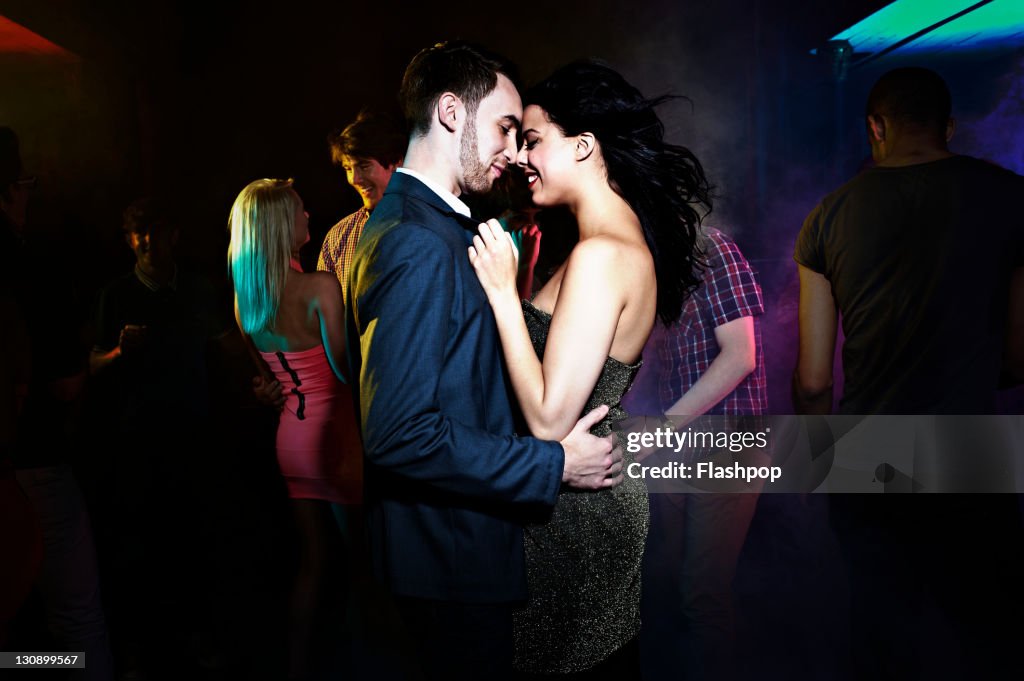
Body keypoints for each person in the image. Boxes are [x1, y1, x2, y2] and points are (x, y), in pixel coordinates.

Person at [345, 42, 623, 681]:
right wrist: (553, 463)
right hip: (449, 563)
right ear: (450, 112)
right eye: (503, 127)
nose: (512, 151)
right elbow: (397, 433)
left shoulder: (441, 226)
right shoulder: (416, 240)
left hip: (458, 554)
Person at [469, 60, 711, 676]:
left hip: (575, 516)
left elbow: (550, 421)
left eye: (532, 140)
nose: (521, 157)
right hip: (581, 495)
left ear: (583, 146)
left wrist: (501, 296)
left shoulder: (603, 254)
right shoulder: (605, 243)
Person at [793, 67, 1024, 679]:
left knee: (882, 640)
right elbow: (1021, 356)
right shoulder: (1011, 198)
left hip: (868, 459)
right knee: (988, 638)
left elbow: (813, 380)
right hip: (974, 452)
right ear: (949, 127)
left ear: (876, 127)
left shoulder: (827, 215)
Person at [624, 225, 766, 681]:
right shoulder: (652, 264)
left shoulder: (709, 246)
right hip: (682, 446)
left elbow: (740, 356)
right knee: (672, 581)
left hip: (728, 444)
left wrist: (656, 433)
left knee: (701, 594)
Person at [228, 178, 355, 680]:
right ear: (283, 224)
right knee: (363, 568)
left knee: (313, 566)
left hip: (292, 439)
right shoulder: (319, 286)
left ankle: (297, 668)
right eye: (301, 210)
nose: (308, 215)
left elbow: (269, 384)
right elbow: (346, 373)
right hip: (337, 439)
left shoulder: (246, 301)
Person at [318, 110, 406, 299]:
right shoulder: (337, 239)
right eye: (348, 169)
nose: (354, 179)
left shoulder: (425, 225)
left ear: (396, 162)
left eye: (364, 166)